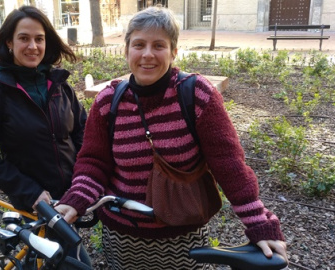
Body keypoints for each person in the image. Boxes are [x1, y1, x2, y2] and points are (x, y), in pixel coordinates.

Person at [55, 6, 287, 270]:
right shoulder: (108, 102)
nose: (147, 54)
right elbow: (94, 162)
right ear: (127, 50)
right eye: (139, 44)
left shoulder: (197, 95)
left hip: (181, 236)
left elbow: (229, 164)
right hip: (121, 235)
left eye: (159, 45)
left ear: (174, 51)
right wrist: (76, 199)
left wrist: (259, 223)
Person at [0, 5, 88, 265]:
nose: (33, 46)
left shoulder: (60, 86)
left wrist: (83, 179)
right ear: (9, 43)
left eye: (39, 38)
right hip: (32, 203)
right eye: (24, 38)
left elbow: (82, 132)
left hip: (67, 198)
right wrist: (30, 192)